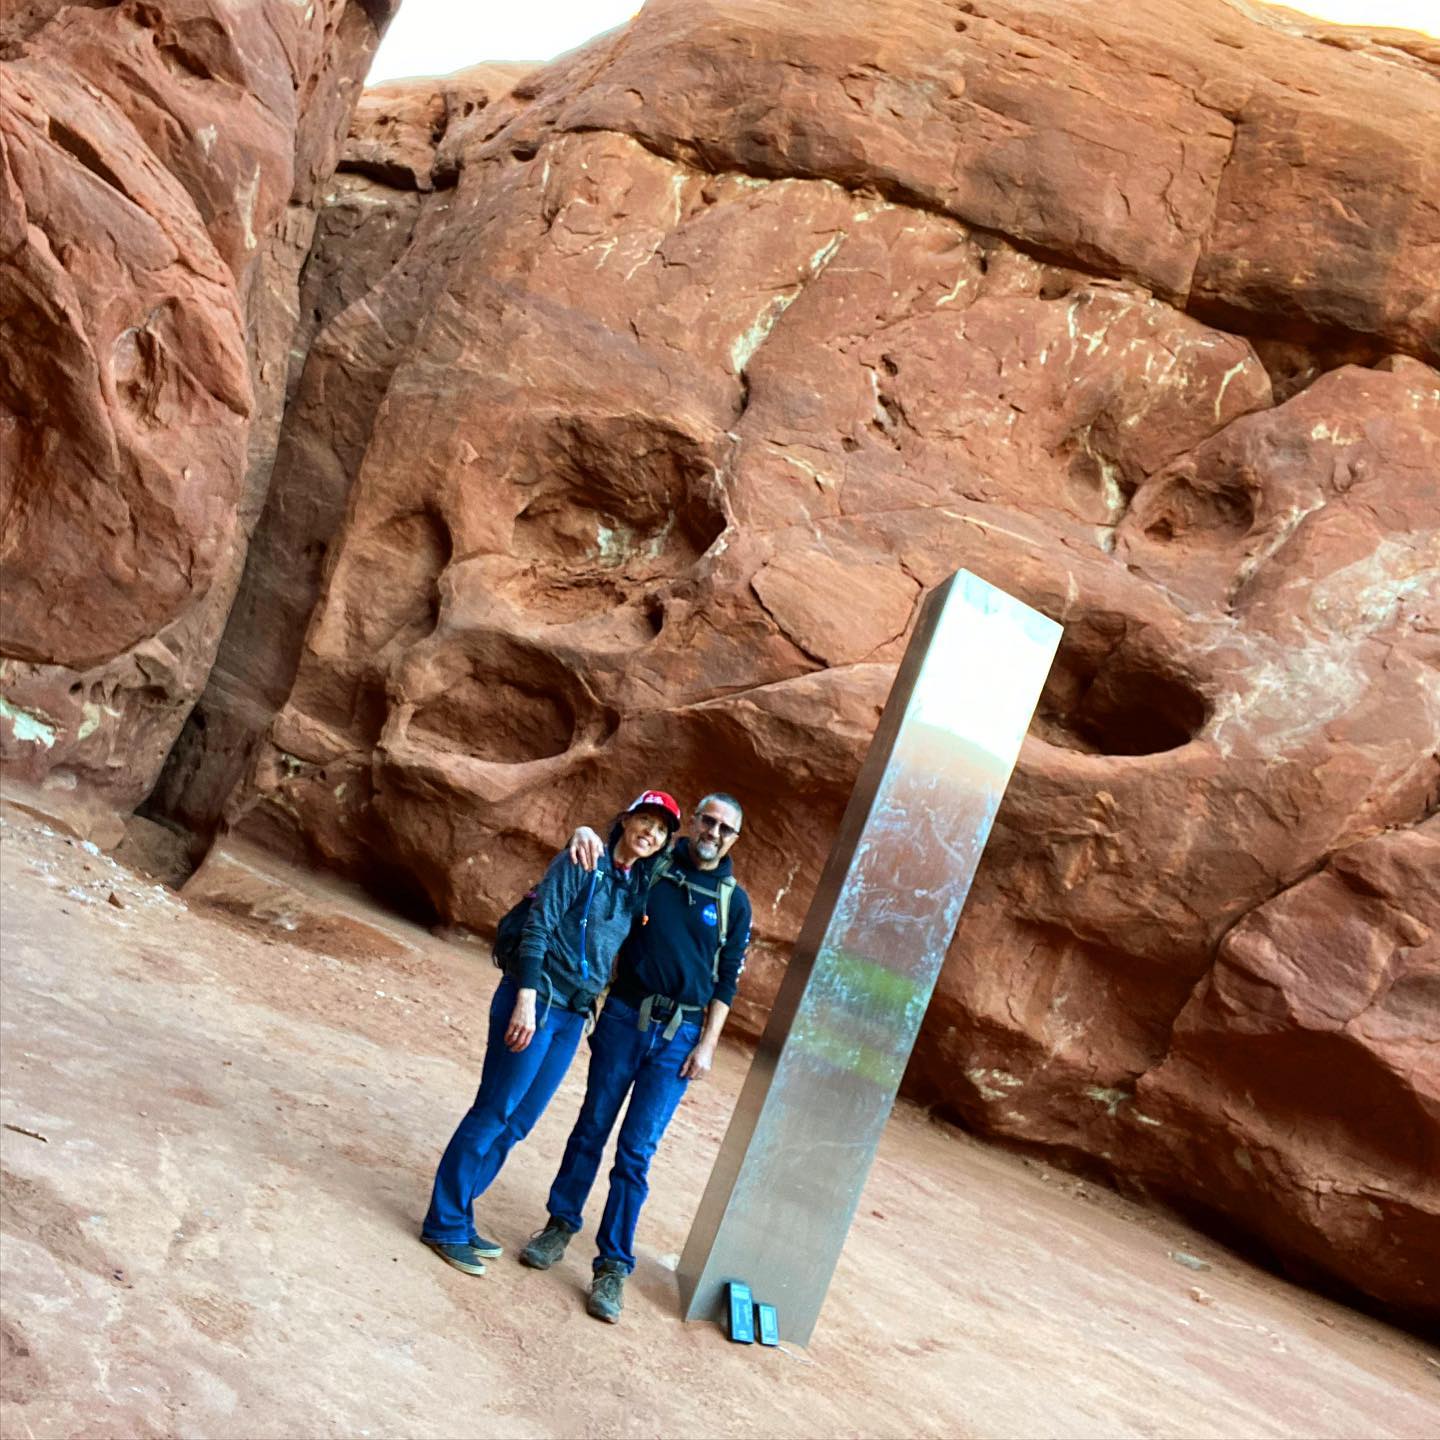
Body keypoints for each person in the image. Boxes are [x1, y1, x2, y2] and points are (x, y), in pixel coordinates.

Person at [420, 790, 683, 1276]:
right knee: (494, 1109)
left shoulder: (635, 884)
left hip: (573, 1014)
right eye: (645, 820)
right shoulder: (582, 859)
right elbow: (539, 925)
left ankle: (461, 1210)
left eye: (661, 829)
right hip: (537, 999)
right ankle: (444, 1223)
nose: (651, 832)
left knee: (520, 1120)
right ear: (625, 820)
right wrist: (525, 997)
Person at [518, 792, 752, 1324]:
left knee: (636, 1151)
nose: (713, 833)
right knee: (591, 1125)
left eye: (725, 829)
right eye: (707, 821)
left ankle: (612, 1266)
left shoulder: (735, 902)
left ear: (735, 839)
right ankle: (559, 1224)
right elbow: (617, 855)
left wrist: (709, 1044)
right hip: (626, 1016)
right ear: (692, 823)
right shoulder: (658, 869)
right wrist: (582, 829)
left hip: (680, 1035)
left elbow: (727, 978)